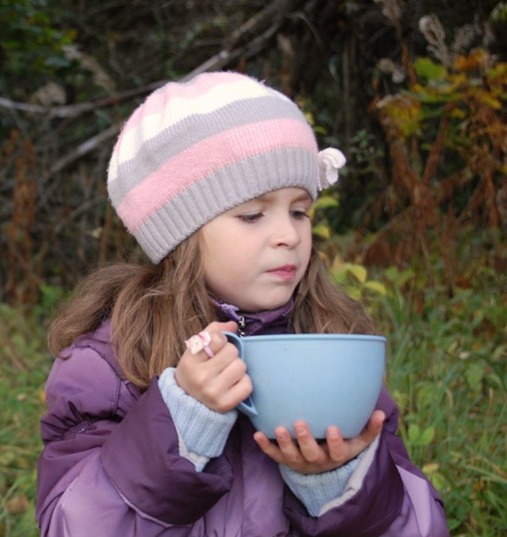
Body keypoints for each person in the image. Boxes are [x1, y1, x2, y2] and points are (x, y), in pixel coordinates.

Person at [35, 71, 449, 536]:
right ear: (182, 237)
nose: (288, 236)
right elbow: (72, 526)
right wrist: (181, 426)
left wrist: (341, 483)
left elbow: (421, 526)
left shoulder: (332, 347)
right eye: (252, 214)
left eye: (299, 211)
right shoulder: (113, 362)